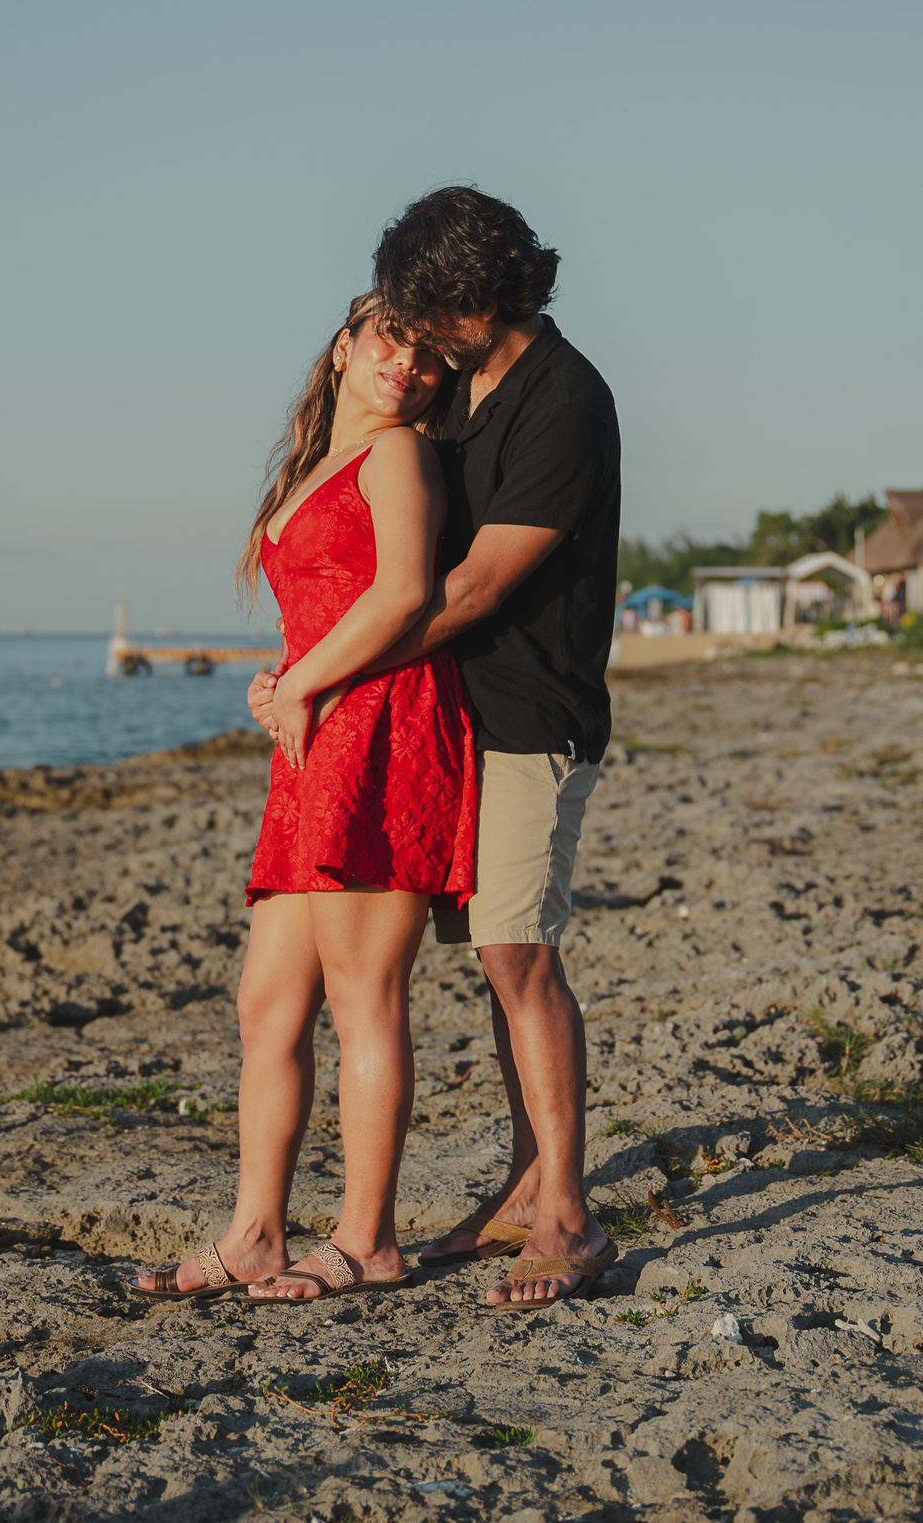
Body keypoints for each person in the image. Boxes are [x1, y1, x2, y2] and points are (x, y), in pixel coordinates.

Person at [253, 187, 623, 1308]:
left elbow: (469, 585)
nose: (410, 343)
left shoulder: (563, 398)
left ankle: (567, 1211)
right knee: (486, 963)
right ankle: (525, 1184)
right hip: (444, 721)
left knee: (518, 955)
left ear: (476, 300)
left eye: (425, 315)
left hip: (527, 713)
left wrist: (322, 673)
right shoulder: (463, 389)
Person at [129, 292, 476, 1306]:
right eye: (387, 340)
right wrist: (281, 681)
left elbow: (404, 594)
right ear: (342, 346)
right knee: (266, 1008)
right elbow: (325, 608)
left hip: (381, 728)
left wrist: (311, 679)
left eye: (427, 355)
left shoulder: (403, 456)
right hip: (314, 738)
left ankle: (366, 1240)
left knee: (365, 1001)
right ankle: (254, 1234)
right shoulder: (317, 463)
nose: (406, 364)